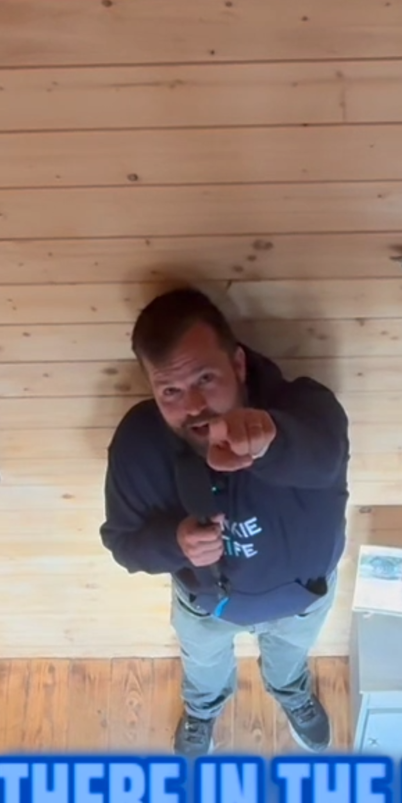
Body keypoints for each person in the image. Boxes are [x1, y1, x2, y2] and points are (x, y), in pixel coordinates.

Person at [101, 287, 350, 757]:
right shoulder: (138, 443)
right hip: (205, 606)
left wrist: (269, 442)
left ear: (238, 365)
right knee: (203, 667)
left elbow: (323, 459)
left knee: (289, 660)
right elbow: (122, 543)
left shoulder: (306, 407)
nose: (192, 406)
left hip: (303, 598)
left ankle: (290, 693)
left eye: (205, 379)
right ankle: (203, 710)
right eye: (170, 391)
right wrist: (173, 542)